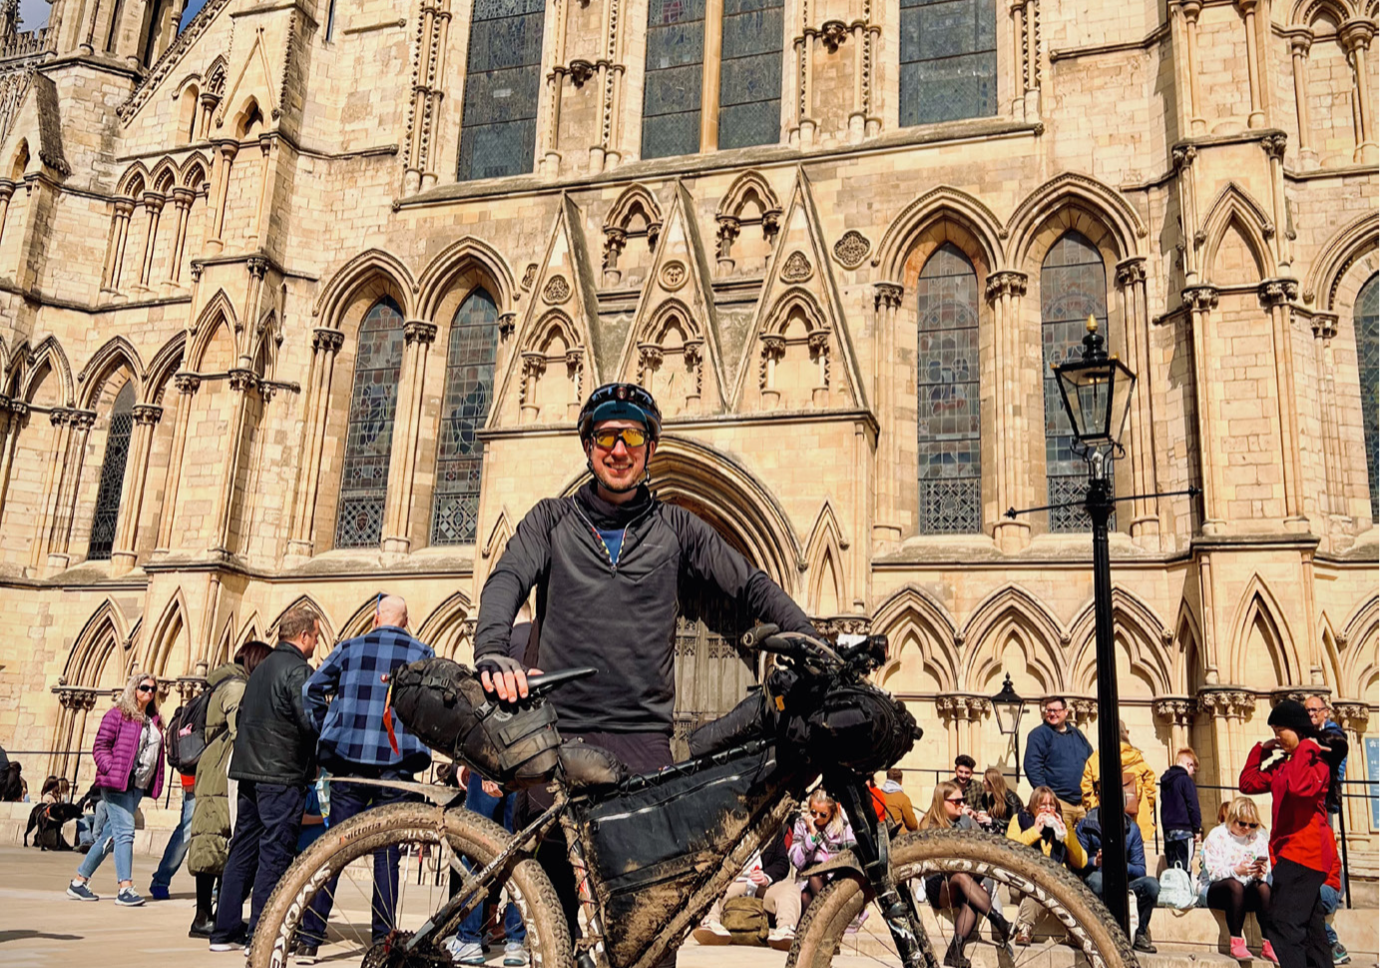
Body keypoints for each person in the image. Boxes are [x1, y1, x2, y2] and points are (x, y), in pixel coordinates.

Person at [472, 383, 818, 961]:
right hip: (556, 735)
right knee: (549, 913)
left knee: (649, 932)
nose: (618, 448)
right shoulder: (551, 519)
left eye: (631, 436)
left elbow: (749, 584)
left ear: (650, 447)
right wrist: (492, 650)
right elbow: (506, 579)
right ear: (587, 446)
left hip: (640, 746)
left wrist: (812, 640)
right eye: (605, 436)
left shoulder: (677, 529)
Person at [297, 594, 436, 964]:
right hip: (397, 766)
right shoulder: (422, 652)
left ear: (376, 619)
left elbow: (310, 691)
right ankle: (383, 940)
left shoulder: (349, 647)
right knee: (386, 853)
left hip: (350, 762)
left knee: (336, 848)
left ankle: (309, 938)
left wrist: (331, 723)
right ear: (405, 622)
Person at [209, 606, 322, 953]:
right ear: (303, 636)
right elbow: (310, 722)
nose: (316, 642)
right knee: (275, 852)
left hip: (248, 770)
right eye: (316, 636)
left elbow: (243, 717)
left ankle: (223, 931)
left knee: (242, 849)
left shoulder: (258, 672)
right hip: (281, 773)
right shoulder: (299, 671)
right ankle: (261, 934)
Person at [1240, 698, 1337, 968]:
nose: (1276, 738)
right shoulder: (1284, 765)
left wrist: (1305, 747)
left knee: (1283, 924)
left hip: (1307, 855)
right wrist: (1261, 750)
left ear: (1295, 728)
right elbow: (1247, 783)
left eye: (1279, 731)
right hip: (1287, 855)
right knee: (1311, 929)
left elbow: (1297, 788)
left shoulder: (1317, 762)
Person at [188, 639, 272, 939]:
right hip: (223, 770)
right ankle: (207, 917)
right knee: (218, 840)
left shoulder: (224, 682)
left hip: (216, 768)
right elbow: (242, 731)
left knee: (216, 840)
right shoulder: (237, 688)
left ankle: (217, 915)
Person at [66, 671, 165, 907]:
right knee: (125, 832)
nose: (149, 692)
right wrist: (112, 770)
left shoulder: (153, 720)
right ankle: (125, 887)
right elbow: (100, 746)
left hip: (136, 787)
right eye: (144, 687)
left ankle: (79, 882)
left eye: (153, 689)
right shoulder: (117, 715)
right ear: (133, 688)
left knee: (111, 835)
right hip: (116, 784)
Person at [919, 781, 1013, 968]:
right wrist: (963, 822)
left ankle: (955, 951)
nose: (962, 804)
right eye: (957, 801)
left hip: (965, 881)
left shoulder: (967, 821)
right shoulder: (929, 825)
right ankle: (997, 920)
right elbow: (948, 858)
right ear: (941, 802)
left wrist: (970, 822)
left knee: (970, 899)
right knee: (962, 877)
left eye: (963, 800)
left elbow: (983, 851)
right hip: (939, 884)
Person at [1075, 782, 1161, 953]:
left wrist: (1119, 863)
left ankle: (1140, 933)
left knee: (1152, 885)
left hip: (1124, 880)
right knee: (1098, 882)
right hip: (1096, 878)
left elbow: (1140, 869)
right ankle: (1101, 932)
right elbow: (1077, 863)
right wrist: (1096, 862)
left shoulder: (1132, 829)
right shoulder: (1086, 826)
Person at [694, 821, 799, 951]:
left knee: (790, 888)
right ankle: (710, 923)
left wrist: (766, 876)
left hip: (761, 885)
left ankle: (785, 929)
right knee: (709, 888)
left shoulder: (772, 828)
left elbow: (782, 862)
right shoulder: (722, 827)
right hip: (731, 883)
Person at [1006, 785, 1086, 945]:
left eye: (1052, 805)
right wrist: (1035, 831)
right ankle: (1024, 927)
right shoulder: (1019, 820)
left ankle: (1072, 932)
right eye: (1042, 805)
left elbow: (1081, 861)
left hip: (1055, 882)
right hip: (1023, 879)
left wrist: (1066, 836)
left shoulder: (1063, 824)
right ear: (1033, 806)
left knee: (1053, 884)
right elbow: (1010, 852)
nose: (1048, 809)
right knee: (1042, 884)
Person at [1198, 796, 1273, 962]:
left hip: (1246, 889)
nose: (1247, 828)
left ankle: (1268, 944)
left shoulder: (1258, 838)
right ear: (1232, 818)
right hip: (1215, 888)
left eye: (1252, 825)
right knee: (1235, 885)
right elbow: (1213, 872)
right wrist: (1237, 870)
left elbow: (1267, 870)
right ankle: (1236, 941)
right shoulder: (1217, 836)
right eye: (1242, 823)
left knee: (1263, 887)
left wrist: (1259, 872)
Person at [1081, 720, 1156, 841]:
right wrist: (1145, 809)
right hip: (1135, 820)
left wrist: (1095, 807)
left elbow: (1086, 788)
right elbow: (1150, 789)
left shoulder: (1096, 758)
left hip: (1105, 820)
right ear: (1125, 733)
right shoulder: (1137, 757)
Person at [1023, 697, 1092, 830]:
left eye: (1056, 710)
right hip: (1059, 804)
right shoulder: (1039, 735)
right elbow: (1032, 767)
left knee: (1083, 848)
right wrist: (1048, 798)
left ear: (1066, 712)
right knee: (1061, 846)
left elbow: (1091, 762)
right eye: (1049, 710)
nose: (1052, 714)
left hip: (1083, 804)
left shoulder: (1077, 735)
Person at [789, 789, 856, 912]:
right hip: (807, 881)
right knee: (805, 896)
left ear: (832, 812)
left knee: (814, 879)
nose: (817, 817)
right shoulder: (802, 825)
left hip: (835, 878)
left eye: (823, 814)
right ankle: (817, 926)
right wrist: (811, 837)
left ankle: (829, 914)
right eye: (813, 812)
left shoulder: (843, 827)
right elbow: (795, 861)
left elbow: (852, 857)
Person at [1160, 747, 1203, 873]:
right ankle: (1184, 892)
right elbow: (1193, 805)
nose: (1192, 773)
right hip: (1184, 829)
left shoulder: (1165, 782)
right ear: (1188, 764)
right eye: (1192, 770)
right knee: (1185, 868)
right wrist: (1197, 828)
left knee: (1172, 869)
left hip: (1169, 830)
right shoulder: (1185, 780)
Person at [976, 767, 1023, 834]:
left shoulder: (1011, 798)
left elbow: (1014, 822)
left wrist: (991, 820)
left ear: (991, 783)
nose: (983, 783)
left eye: (984, 781)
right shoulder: (992, 797)